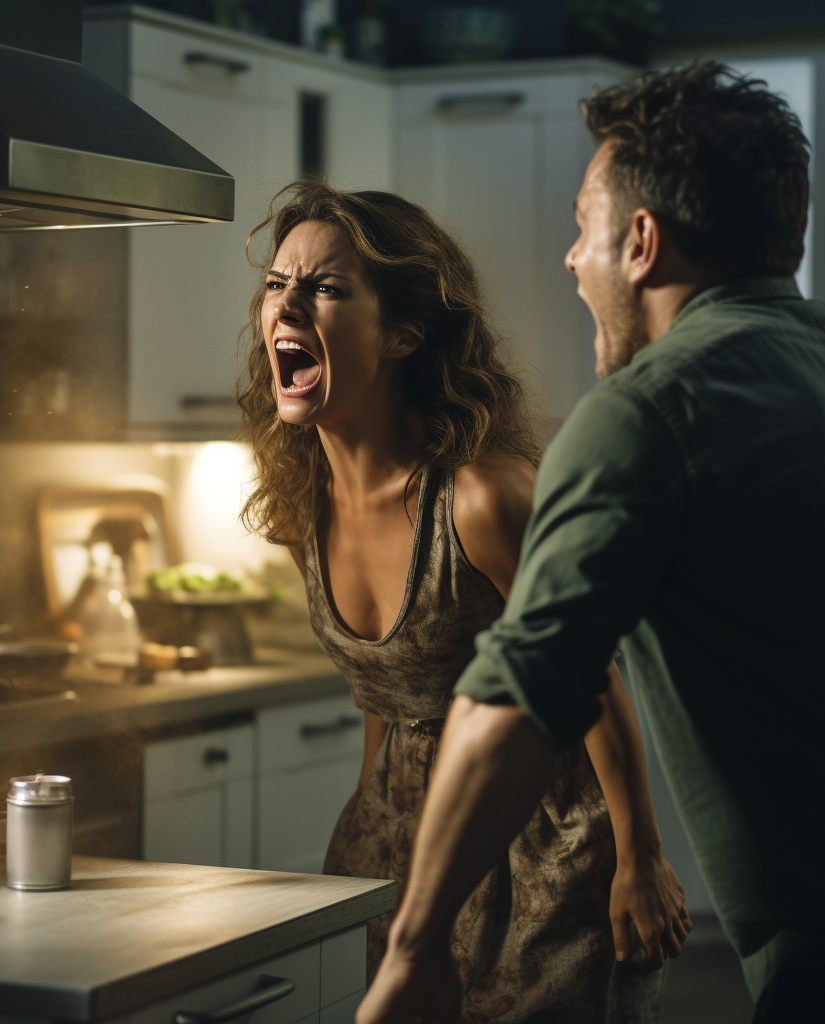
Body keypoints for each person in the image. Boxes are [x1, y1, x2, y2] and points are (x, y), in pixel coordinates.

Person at [358, 61, 825, 1024]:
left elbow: (520, 697)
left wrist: (413, 954)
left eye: (584, 225)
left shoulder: (647, 414)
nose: (572, 259)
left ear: (642, 243)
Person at [239, 180, 691, 1023]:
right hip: (394, 843)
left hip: (542, 846)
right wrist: (366, 822)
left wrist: (640, 853)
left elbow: (592, 675)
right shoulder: (304, 505)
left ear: (404, 333)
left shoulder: (485, 498)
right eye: (277, 283)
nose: (287, 302)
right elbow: (382, 694)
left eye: (326, 288)